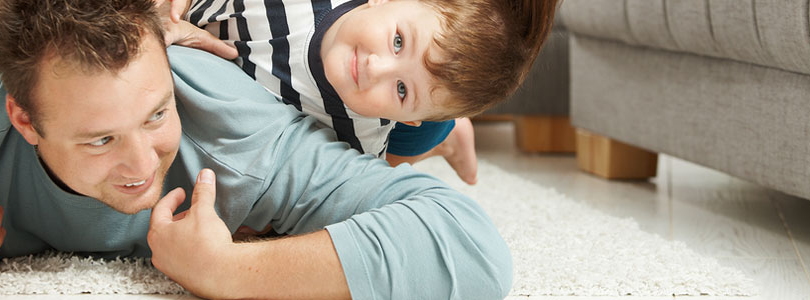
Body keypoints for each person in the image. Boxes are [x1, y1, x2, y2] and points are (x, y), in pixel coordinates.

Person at [0, 0, 512, 299]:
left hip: (322, 98)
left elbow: (470, 248)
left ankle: (442, 133)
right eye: (100, 139)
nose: (141, 165)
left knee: (411, 130)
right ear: (24, 119)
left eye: (157, 114)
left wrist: (229, 271)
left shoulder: (244, 132)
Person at [155, 0, 560, 185]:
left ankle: (443, 136)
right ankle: (447, 128)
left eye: (401, 88)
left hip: (387, 123)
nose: (375, 67)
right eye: (398, 41)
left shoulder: (361, 141)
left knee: (403, 146)